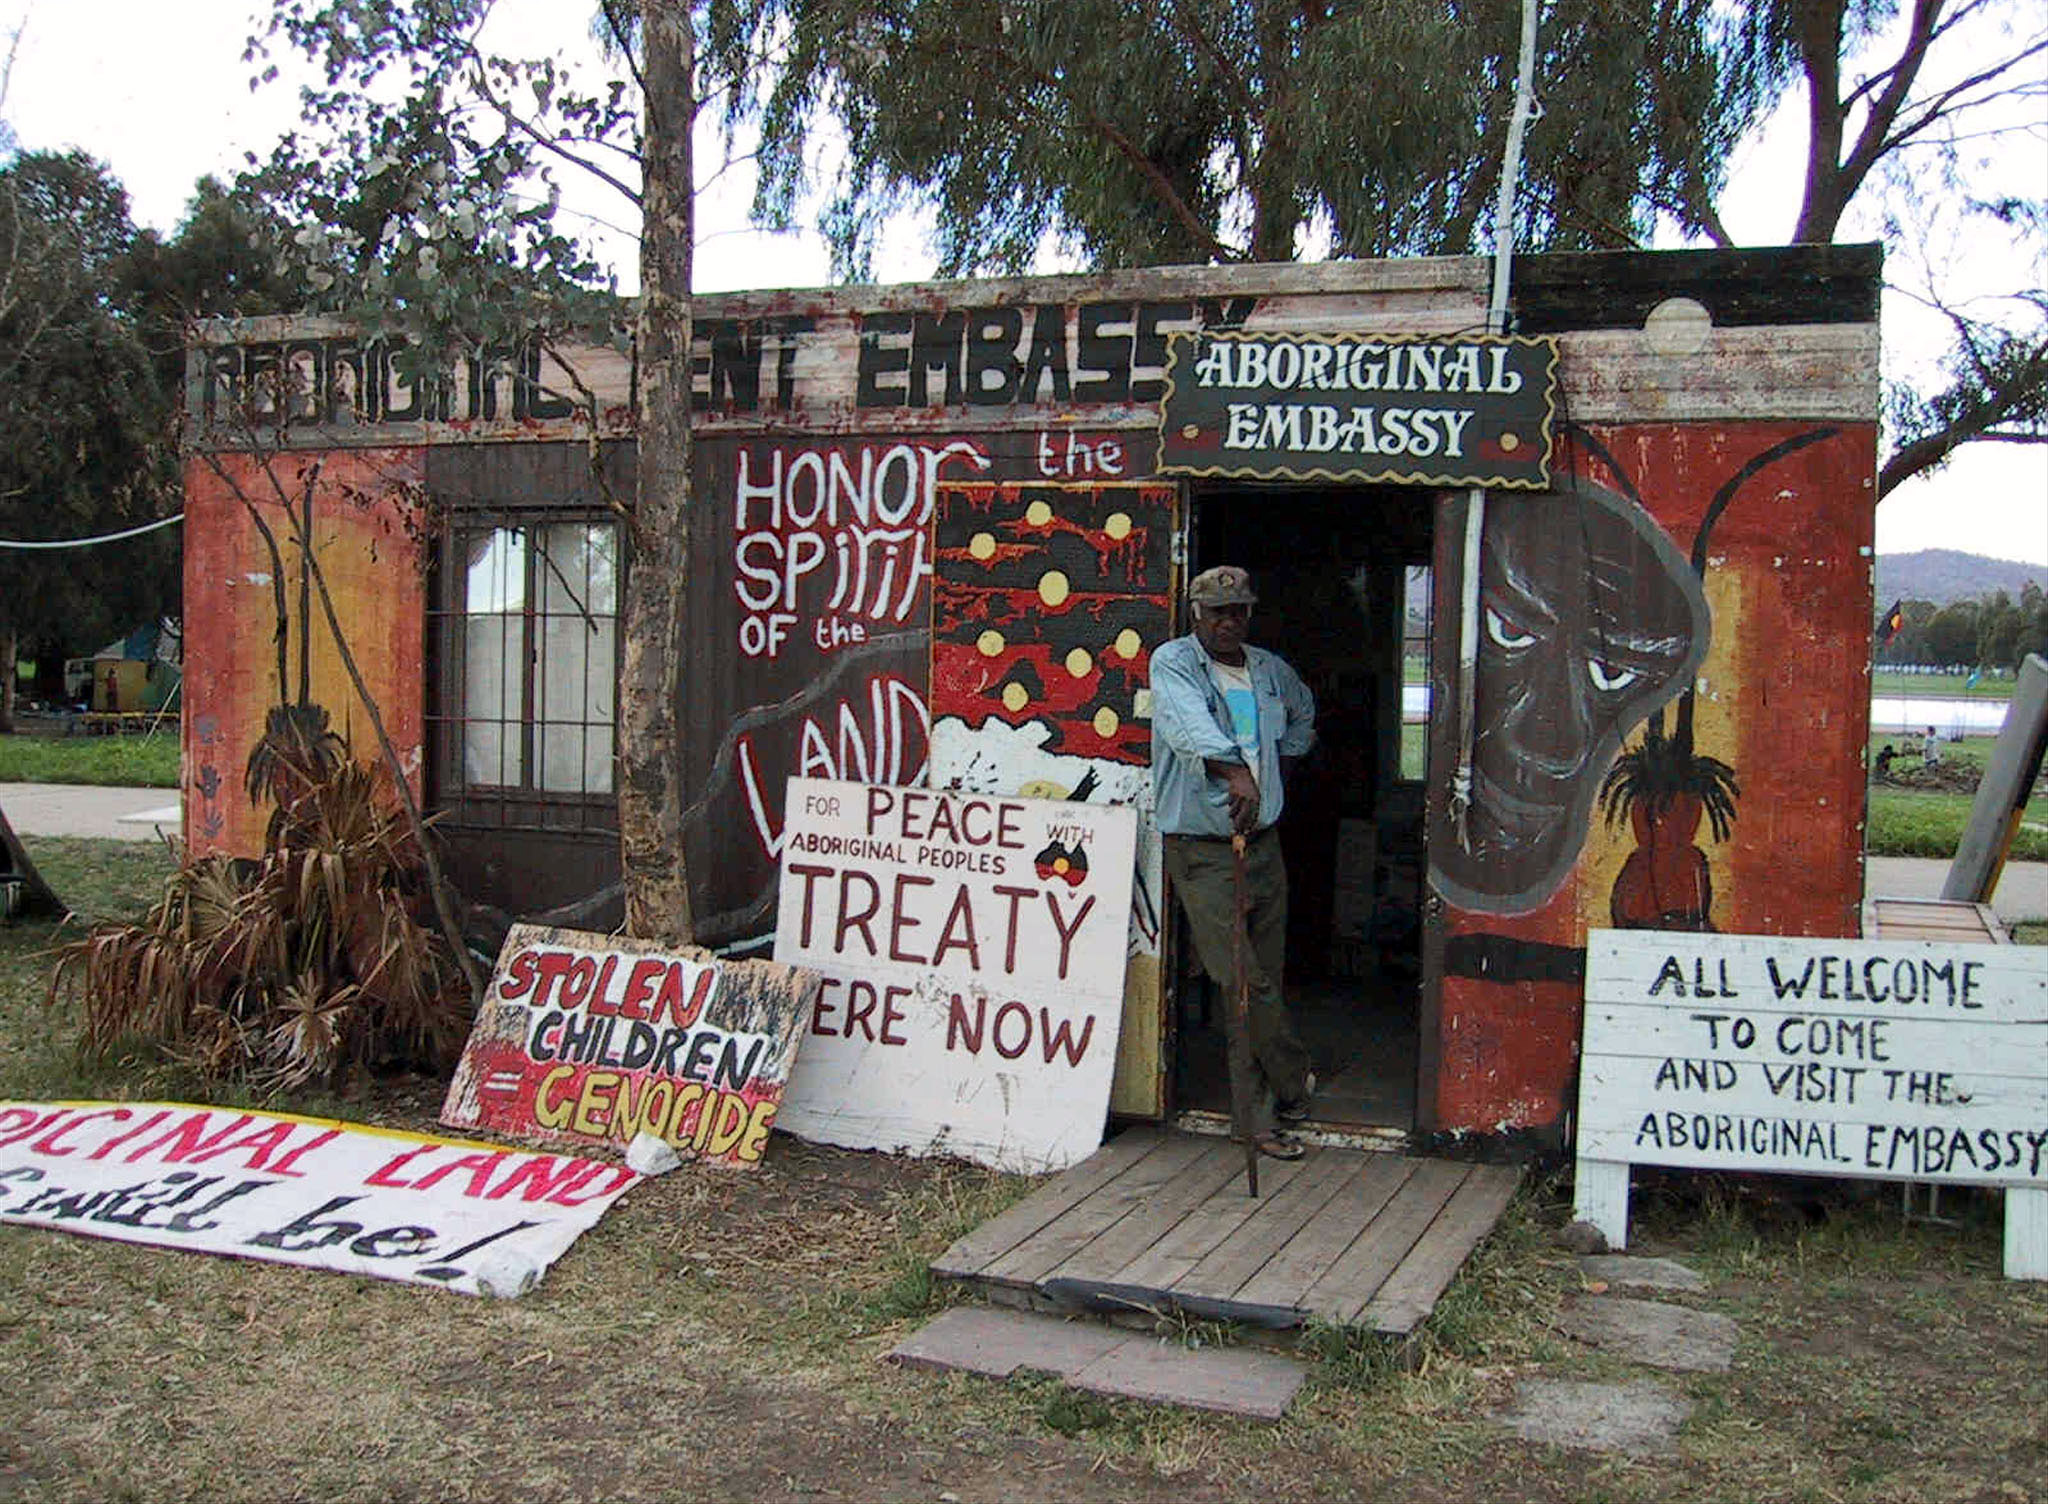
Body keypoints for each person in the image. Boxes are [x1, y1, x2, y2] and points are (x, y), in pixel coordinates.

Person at [1151, 565, 1318, 1160]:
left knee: (1263, 978)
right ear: (1195, 613)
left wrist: (1277, 776)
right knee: (1241, 981)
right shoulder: (1174, 662)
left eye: (1239, 610)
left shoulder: (1269, 670)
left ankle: (1261, 1115)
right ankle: (1291, 1084)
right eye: (1217, 611)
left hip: (1263, 843)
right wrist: (1237, 773)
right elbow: (1189, 728)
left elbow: (1302, 714)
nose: (1229, 621)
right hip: (1204, 849)